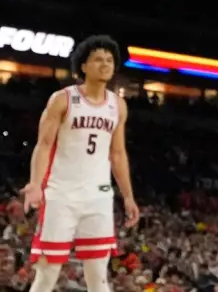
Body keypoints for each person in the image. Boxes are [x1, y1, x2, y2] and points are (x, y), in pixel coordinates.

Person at [24, 35, 140, 292]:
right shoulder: (63, 99)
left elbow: (118, 154)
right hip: (61, 194)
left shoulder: (117, 105)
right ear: (83, 66)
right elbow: (43, 145)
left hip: (97, 196)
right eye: (98, 59)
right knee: (47, 272)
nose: (105, 64)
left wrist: (128, 196)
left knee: (98, 275)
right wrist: (35, 184)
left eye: (109, 60)